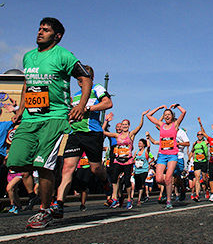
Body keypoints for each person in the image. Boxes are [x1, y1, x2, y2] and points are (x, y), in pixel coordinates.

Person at [8, 17, 93, 229]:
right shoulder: (28, 57)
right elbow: (27, 83)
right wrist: (20, 108)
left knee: (43, 165)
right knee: (16, 161)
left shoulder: (63, 55)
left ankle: (45, 210)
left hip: (54, 118)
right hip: (29, 118)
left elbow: (85, 78)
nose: (40, 32)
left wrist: (81, 105)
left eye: (45, 30)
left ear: (57, 36)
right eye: (39, 29)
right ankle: (48, 179)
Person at [53, 65, 113, 218]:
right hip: (75, 134)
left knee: (95, 169)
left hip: (92, 133)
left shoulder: (97, 89)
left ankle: (105, 180)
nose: (80, 82)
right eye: (78, 79)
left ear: (91, 78)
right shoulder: (76, 96)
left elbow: (108, 103)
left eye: (83, 79)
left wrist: (88, 108)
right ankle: (58, 204)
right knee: (67, 168)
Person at [104, 111, 147, 209]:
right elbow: (103, 131)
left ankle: (129, 199)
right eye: (123, 124)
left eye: (126, 124)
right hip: (118, 160)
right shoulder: (117, 135)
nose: (124, 126)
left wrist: (142, 116)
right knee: (114, 178)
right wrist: (106, 120)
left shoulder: (131, 134)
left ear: (129, 125)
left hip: (128, 161)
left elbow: (139, 126)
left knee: (127, 181)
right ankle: (114, 198)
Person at [146, 104, 186, 209]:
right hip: (162, 155)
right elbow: (149, 116)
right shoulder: (161, 125)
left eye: (169, 114)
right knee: (159, 179)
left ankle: (168, 201)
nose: (167, 116)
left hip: (172, 154)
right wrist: (159, 108)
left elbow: (184, 112)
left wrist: (177, 106)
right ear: (163, 116)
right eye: (165, 115)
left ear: (172, 116)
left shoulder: (175, 125)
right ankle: (170, 185)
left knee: (168, 177)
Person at [189, 131, 209, 201]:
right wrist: (189, 158)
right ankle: (197, 195)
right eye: (198, 135)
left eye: (201, 134)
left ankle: (206, 189)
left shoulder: (206, 142)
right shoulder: (195, 143)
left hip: (204, 161)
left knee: (204, 179)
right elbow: (192, 151)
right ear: (197, 136)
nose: (200, 136)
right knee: (197, 178)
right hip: (197, 162)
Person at [133, 138, 152, 206]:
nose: (139, 144)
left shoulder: (146, 151)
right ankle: (143, 195)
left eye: (140, 143)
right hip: (137, 170)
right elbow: (133, 158)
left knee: (141, 183)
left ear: (144, 145)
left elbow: (149, 146)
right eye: (138, 143)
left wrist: (147, 138)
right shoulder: (136, 152)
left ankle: (139, 199)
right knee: (138, 185)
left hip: (144, 170)